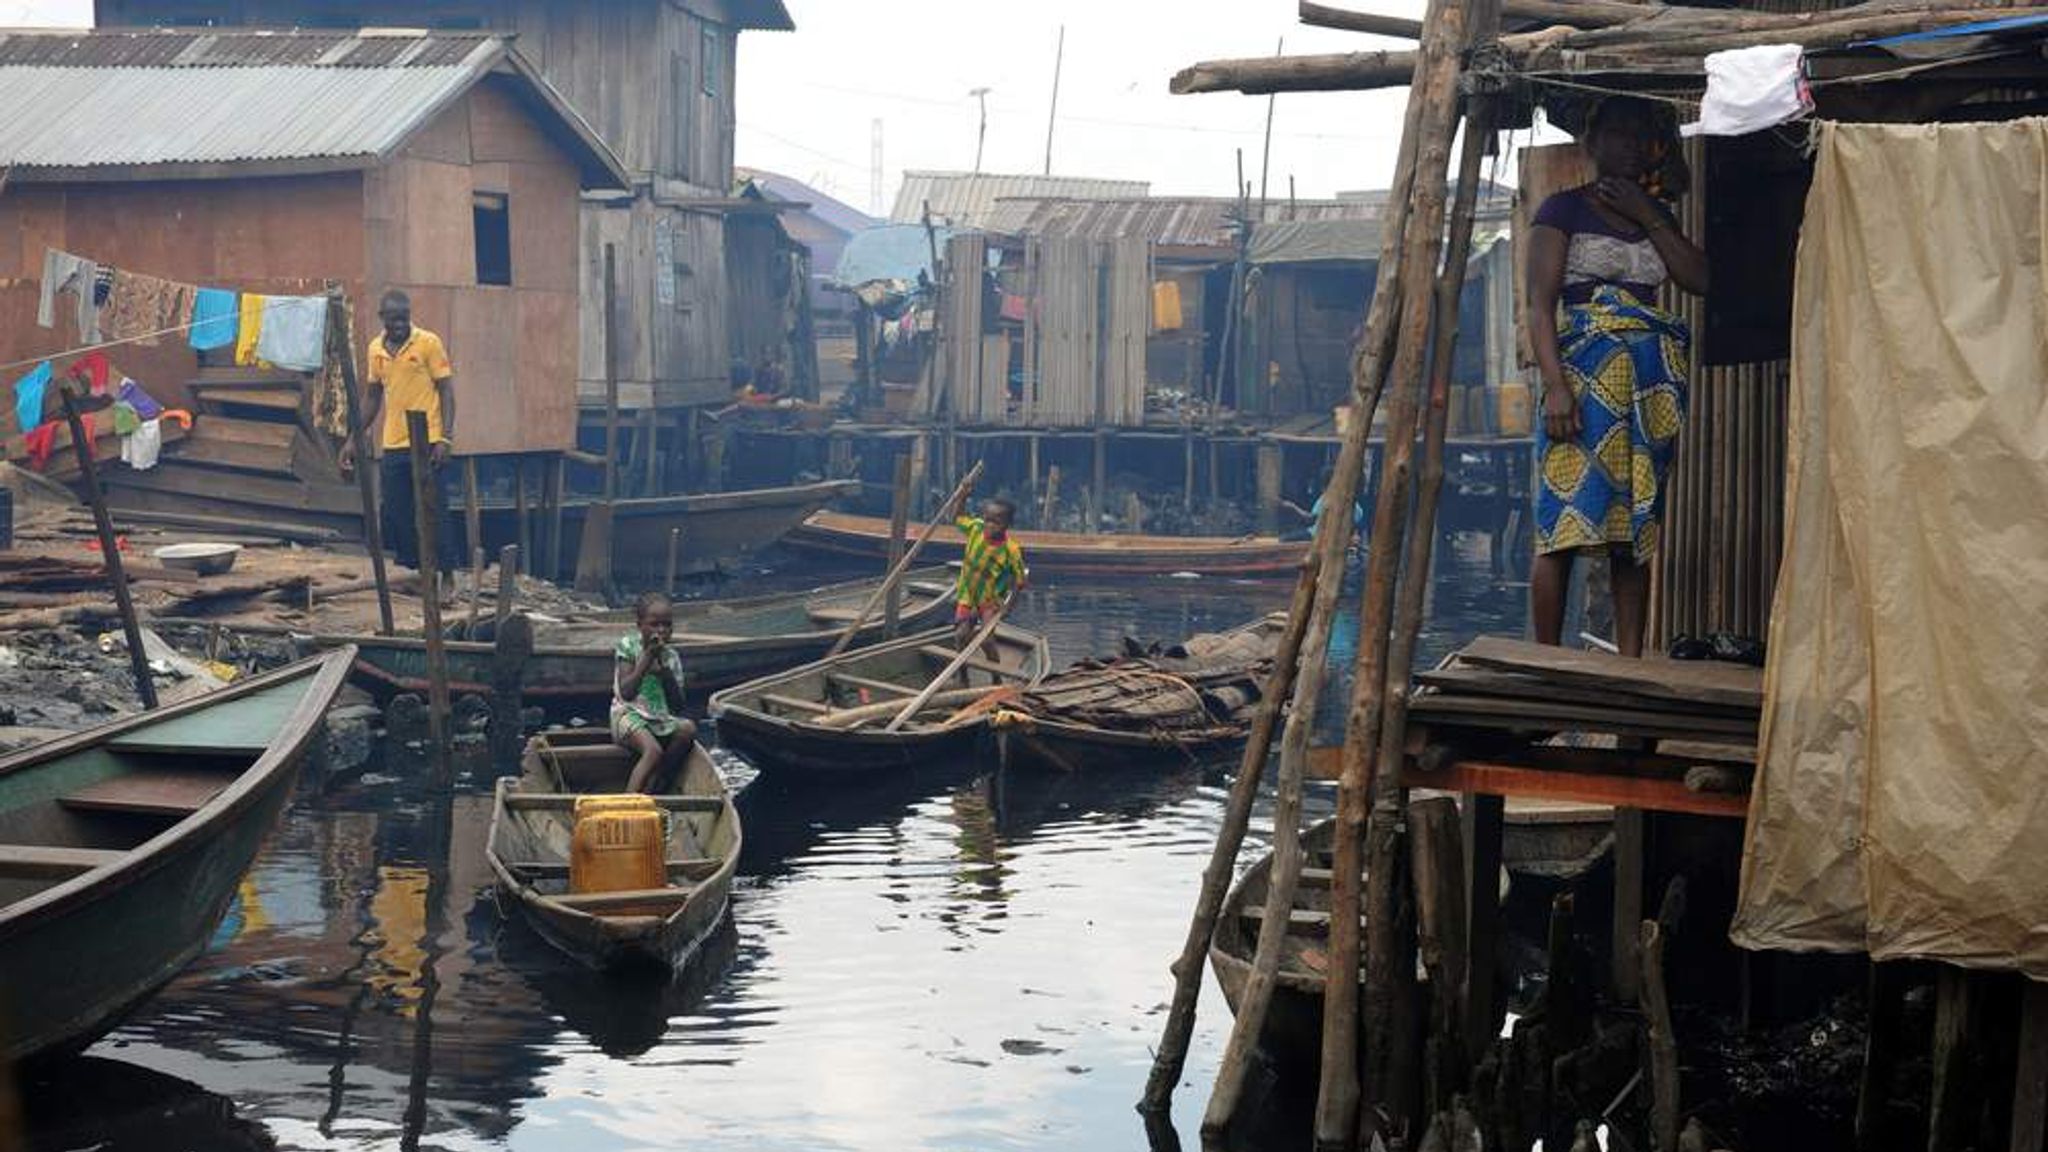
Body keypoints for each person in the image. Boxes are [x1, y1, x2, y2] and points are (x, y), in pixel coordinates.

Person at [1525, 96, 1709, 657]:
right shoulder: (1562, 210)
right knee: (1562, 525)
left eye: (1640, 136)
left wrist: (1649, 215)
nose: (1630, 145)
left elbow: (1698, 279)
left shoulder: (1657, 216)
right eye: (1619, 134)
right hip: (1582, 385)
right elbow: (1538, 305)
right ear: (1593, 140)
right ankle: (1548, 660)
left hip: (1649, 390)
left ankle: (1630, 662)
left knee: (1636, 528)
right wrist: (1556, 387)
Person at [341, 290, 459, 577]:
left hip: (427, 440)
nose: (400, 325)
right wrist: (353, 440)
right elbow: (372, 398)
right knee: (395, 510)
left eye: (404, 319)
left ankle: (446, 574)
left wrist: (445, 438)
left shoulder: (428, 343)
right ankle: (418, 571)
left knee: (433, 510)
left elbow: (446, 391)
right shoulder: (375, 350)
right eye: (394, 320)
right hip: (393, 442)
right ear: (383, 318)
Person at [613, 591, 698, 794]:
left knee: (687, 729)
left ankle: (657, 786)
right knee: (653, 751)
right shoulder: (628, 646)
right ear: (640, 625)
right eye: (654, 624)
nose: (661, 631)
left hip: (659, 719)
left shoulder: (671, 657)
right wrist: (647, 659)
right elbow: (626, 692)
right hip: (627, 715)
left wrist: (664, 673)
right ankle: (626, 805)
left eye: (667, 625)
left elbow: (678, 706)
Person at [948, 485, 1027, 659]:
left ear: (1007, 524)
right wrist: (962, 497)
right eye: (988, 520)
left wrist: (1008, 606)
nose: (990, 526)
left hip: (990, 600)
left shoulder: (1011, 550)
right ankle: (962, 677)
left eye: (996, 522)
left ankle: (996, 677)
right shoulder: (976, 528)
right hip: (967, 594)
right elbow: (957, 518)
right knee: (960, 636)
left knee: (987, 641)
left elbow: (1020, 582)